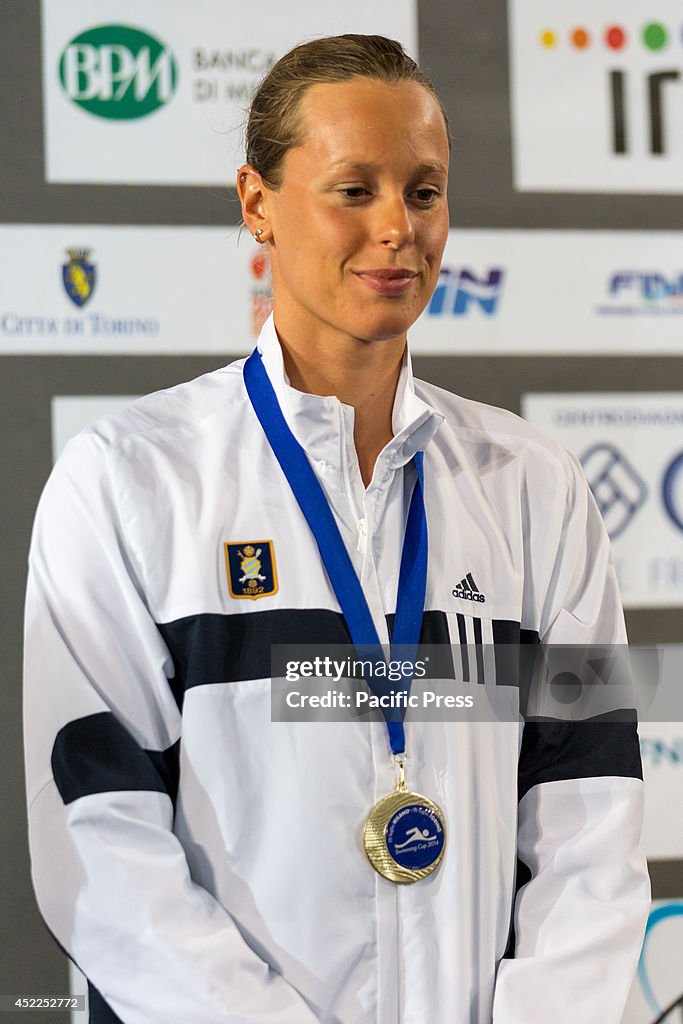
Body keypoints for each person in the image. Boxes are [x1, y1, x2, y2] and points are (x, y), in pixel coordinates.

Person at [24, 33, 650, 1024]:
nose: (397, 227)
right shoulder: (126, 479)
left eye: (424, 190)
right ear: (256, 202)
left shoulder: (540, 489)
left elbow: (595, 811)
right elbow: (98, 839)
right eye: (353, 189)